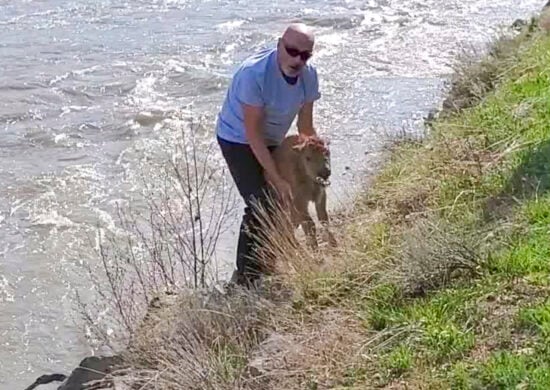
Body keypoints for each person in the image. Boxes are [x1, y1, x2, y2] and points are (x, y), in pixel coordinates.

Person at [216, 23, 321, 287]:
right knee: (261, 201)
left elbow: (305, 127)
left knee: (290, 196)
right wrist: (276, 177)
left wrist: (317, 153)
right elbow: (253, 134)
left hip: (273, 138)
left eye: (305, 55)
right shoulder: (255, 75)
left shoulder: (309, 77)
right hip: (237, 138)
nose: (297, 59)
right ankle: (245, 278)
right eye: (292, 51)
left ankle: (271, 257)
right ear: (279, 45)